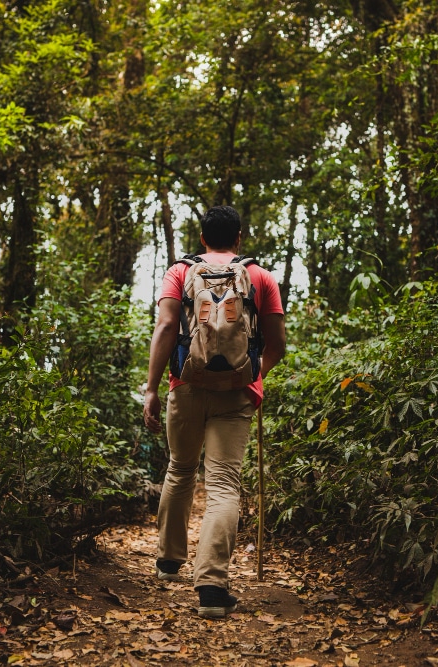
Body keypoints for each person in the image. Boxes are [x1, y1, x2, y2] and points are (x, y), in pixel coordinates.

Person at [143, 205, 286, 619]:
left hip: (186, 387)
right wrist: (252, 374)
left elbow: (167, 328)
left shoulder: (179, 272)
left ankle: (169, 562)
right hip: (237, 393)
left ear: (202, 238)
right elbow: (276, 345)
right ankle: (211, 587)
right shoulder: (260, 277)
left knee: (180, 469)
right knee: (223, 485)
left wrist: (151, 389)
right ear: (239, 237)